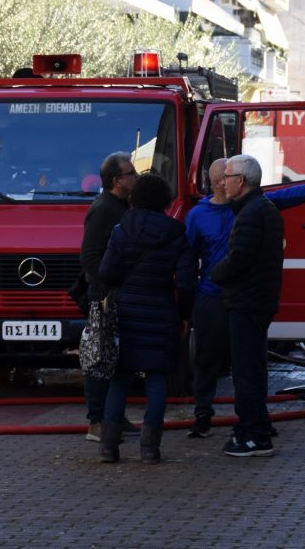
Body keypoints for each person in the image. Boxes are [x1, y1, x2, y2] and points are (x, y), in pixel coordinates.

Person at [185, 157, 305, 438]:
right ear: (217, 183)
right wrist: (190, 297)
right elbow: (188, 256)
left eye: (230, 176)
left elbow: (288, 195)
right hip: (212, 297)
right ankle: (204, 413)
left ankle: (255, 417)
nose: (226, 181)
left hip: (239, 296)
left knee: (249, 362)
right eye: (223, 177)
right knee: (207, 357)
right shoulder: (198, 216)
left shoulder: (250, 207)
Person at [97, 173, 196, 463]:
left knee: (120, 377)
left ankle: (108, 446)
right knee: (157, 378)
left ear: (135, 198)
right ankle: (150, 448)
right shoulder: (176, 232)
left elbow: (105, 273)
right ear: (164, 199)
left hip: (125, 312)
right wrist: (184, 315)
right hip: (162, 312)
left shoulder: (121, 229)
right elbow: (188, 282)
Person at [209, 154, 285, 457]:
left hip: (248, 302)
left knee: (246, 370)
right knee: (253, 367)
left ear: (240, 181)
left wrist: (213, 273)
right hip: (257, 300)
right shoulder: (262, 209)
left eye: (227, 177)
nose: (221, 183)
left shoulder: (252, 213)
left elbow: (239, 259)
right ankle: (258, 426)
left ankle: (253, 435)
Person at [78, 152, 140, 442]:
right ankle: (97, 421)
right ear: (117, 180)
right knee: (99, 357)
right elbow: (90, 257)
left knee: (116, 357)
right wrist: (110, 283)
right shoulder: (103, 209)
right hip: (103, 296)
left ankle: (113, 415)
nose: (136, 177)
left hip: (116, 294)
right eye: (131, 173)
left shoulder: (120, 206)